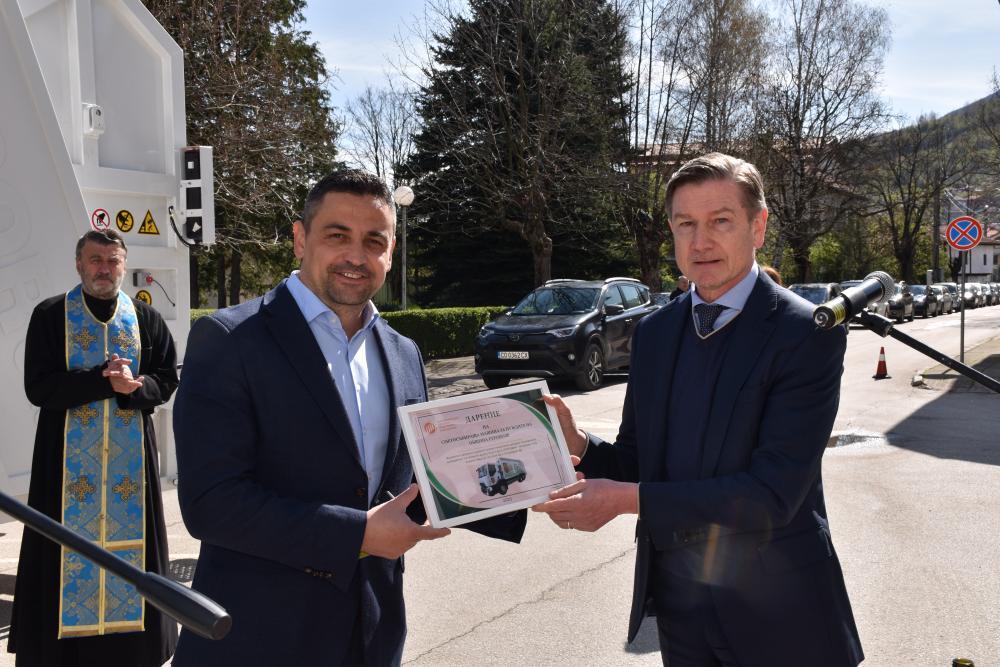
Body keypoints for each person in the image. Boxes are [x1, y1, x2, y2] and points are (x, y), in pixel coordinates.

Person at [171, 169, 525, 665]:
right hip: (259, 637)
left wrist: (532, 477)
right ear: (300, 239)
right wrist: (356, 533)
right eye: (337, 236)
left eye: (374, 241)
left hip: (372, 633)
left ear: (391, 252)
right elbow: (210, 503)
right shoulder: (230, 340)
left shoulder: (403, 353)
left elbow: (417, 480)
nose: (356, 256)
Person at [534, 153, 862, 666]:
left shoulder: (805, 334)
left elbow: (771, 495)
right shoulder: (655, 333)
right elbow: (639, 461)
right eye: (686, 224)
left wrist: (623, 500)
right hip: (681, 614)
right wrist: (578, 445)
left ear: (758, 226)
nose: (700, 241)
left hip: (784, 619)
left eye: (720, 221)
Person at [9, 229, 178, 666]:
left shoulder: (145, 318)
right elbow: (38, 387)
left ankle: (132, 651)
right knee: (60, 554)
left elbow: (166, 379)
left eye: (112, 260)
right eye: (96, 260)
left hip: (130, 471)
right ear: (79, 264)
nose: (104, 269)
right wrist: (100, 381)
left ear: (124, 264)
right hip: (64, 469)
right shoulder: (51, 315)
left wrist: (136, 387)